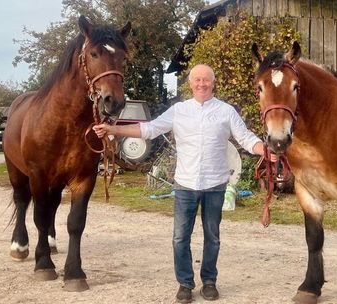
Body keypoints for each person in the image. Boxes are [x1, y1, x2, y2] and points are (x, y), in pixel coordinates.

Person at [93, 64, 272, 303]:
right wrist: (113, 128)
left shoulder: (226, 111)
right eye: (197, 80)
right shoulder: (179, 110)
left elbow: (246, 138)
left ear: (213, 83)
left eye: (206, 80)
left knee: (213, 238)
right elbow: (149, 129)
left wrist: (266, 150)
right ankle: (185, 284)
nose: (201, 84)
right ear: (190, 84)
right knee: (180, 237)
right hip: (185, 184)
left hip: (215, 185)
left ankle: (209, 282)